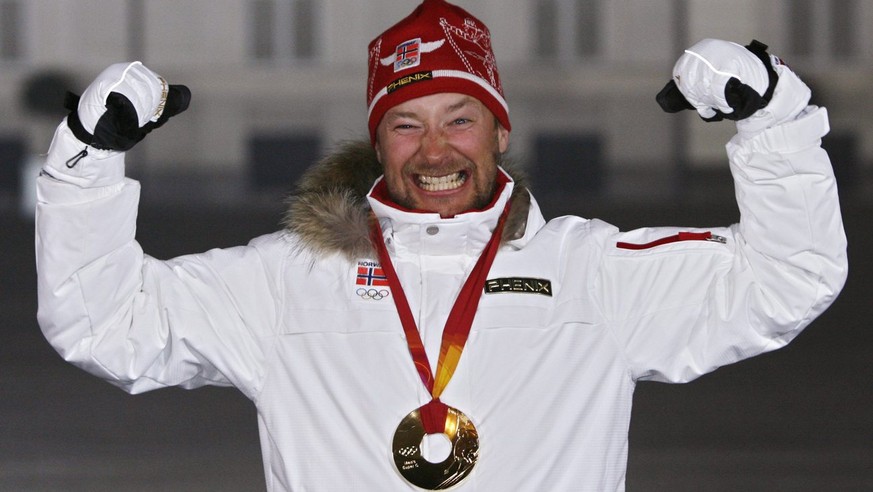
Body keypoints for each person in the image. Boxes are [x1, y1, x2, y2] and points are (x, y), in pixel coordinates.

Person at [35, 0, 847, 490]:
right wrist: (84, 162)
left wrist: (774, 118)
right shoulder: (285, 280)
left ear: (499, 128)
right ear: (376, 140)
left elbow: (784, 278)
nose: (434, 151)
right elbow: (105, 324)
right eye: (405, 124)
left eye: (459, 119)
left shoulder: (589, 271)